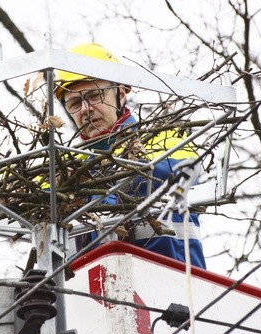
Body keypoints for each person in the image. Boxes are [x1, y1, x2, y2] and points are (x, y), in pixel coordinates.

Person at [54, 43, 206, 269]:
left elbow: (179, 173)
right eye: (75, 103)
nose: (85, 109)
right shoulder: (63, 168)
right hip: (86, 296)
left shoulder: (163, 139)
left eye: (94, 95)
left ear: (121, 94)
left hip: (175, 286)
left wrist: (91, 185)